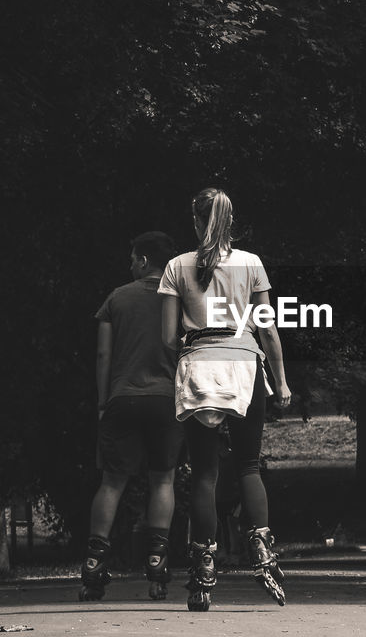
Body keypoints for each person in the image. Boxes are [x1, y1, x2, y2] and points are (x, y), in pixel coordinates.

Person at [159, 187, 292, 610]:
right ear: (230, 221)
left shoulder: (176, 266)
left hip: (200, 366)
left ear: (195, 220)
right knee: (249, 464)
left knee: (204, 474)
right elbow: (267, 329)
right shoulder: (251, 263)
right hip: (245, 366)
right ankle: (262, 550)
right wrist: (283, 382)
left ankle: (202, 568)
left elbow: (166, 338)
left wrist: (192, 351)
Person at [80, 231, 184, 601]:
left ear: (142, 261)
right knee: (163, 482)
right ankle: (157, 564)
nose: (130, 265)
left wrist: (103, 401)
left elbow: (103, 356)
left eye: (132, 259)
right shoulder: (181, 298)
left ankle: (93, 567)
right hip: (166, 400)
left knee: (111, 483)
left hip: (122, 398)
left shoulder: (117, 298)